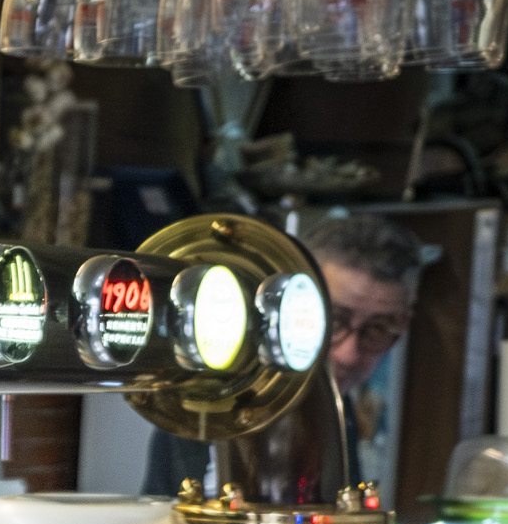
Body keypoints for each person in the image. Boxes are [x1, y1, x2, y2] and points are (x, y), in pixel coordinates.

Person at [143, 210, 425, 495]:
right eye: (335, 321)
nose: (348, 355)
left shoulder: (337, 406)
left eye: (377, 330)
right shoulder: (213, 405)